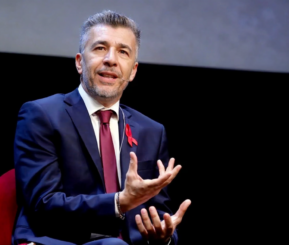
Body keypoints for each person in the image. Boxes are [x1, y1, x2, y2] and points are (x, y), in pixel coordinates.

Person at [13, 10, 191, 245]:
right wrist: (119, 203)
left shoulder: (152, 131)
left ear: (133, 71)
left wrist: (164, 235)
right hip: (54, 240)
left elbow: (158, 213)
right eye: (99, 48)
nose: (111, 59)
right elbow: (43, 204)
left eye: (123, 52)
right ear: (79, 62)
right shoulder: (42, 115)